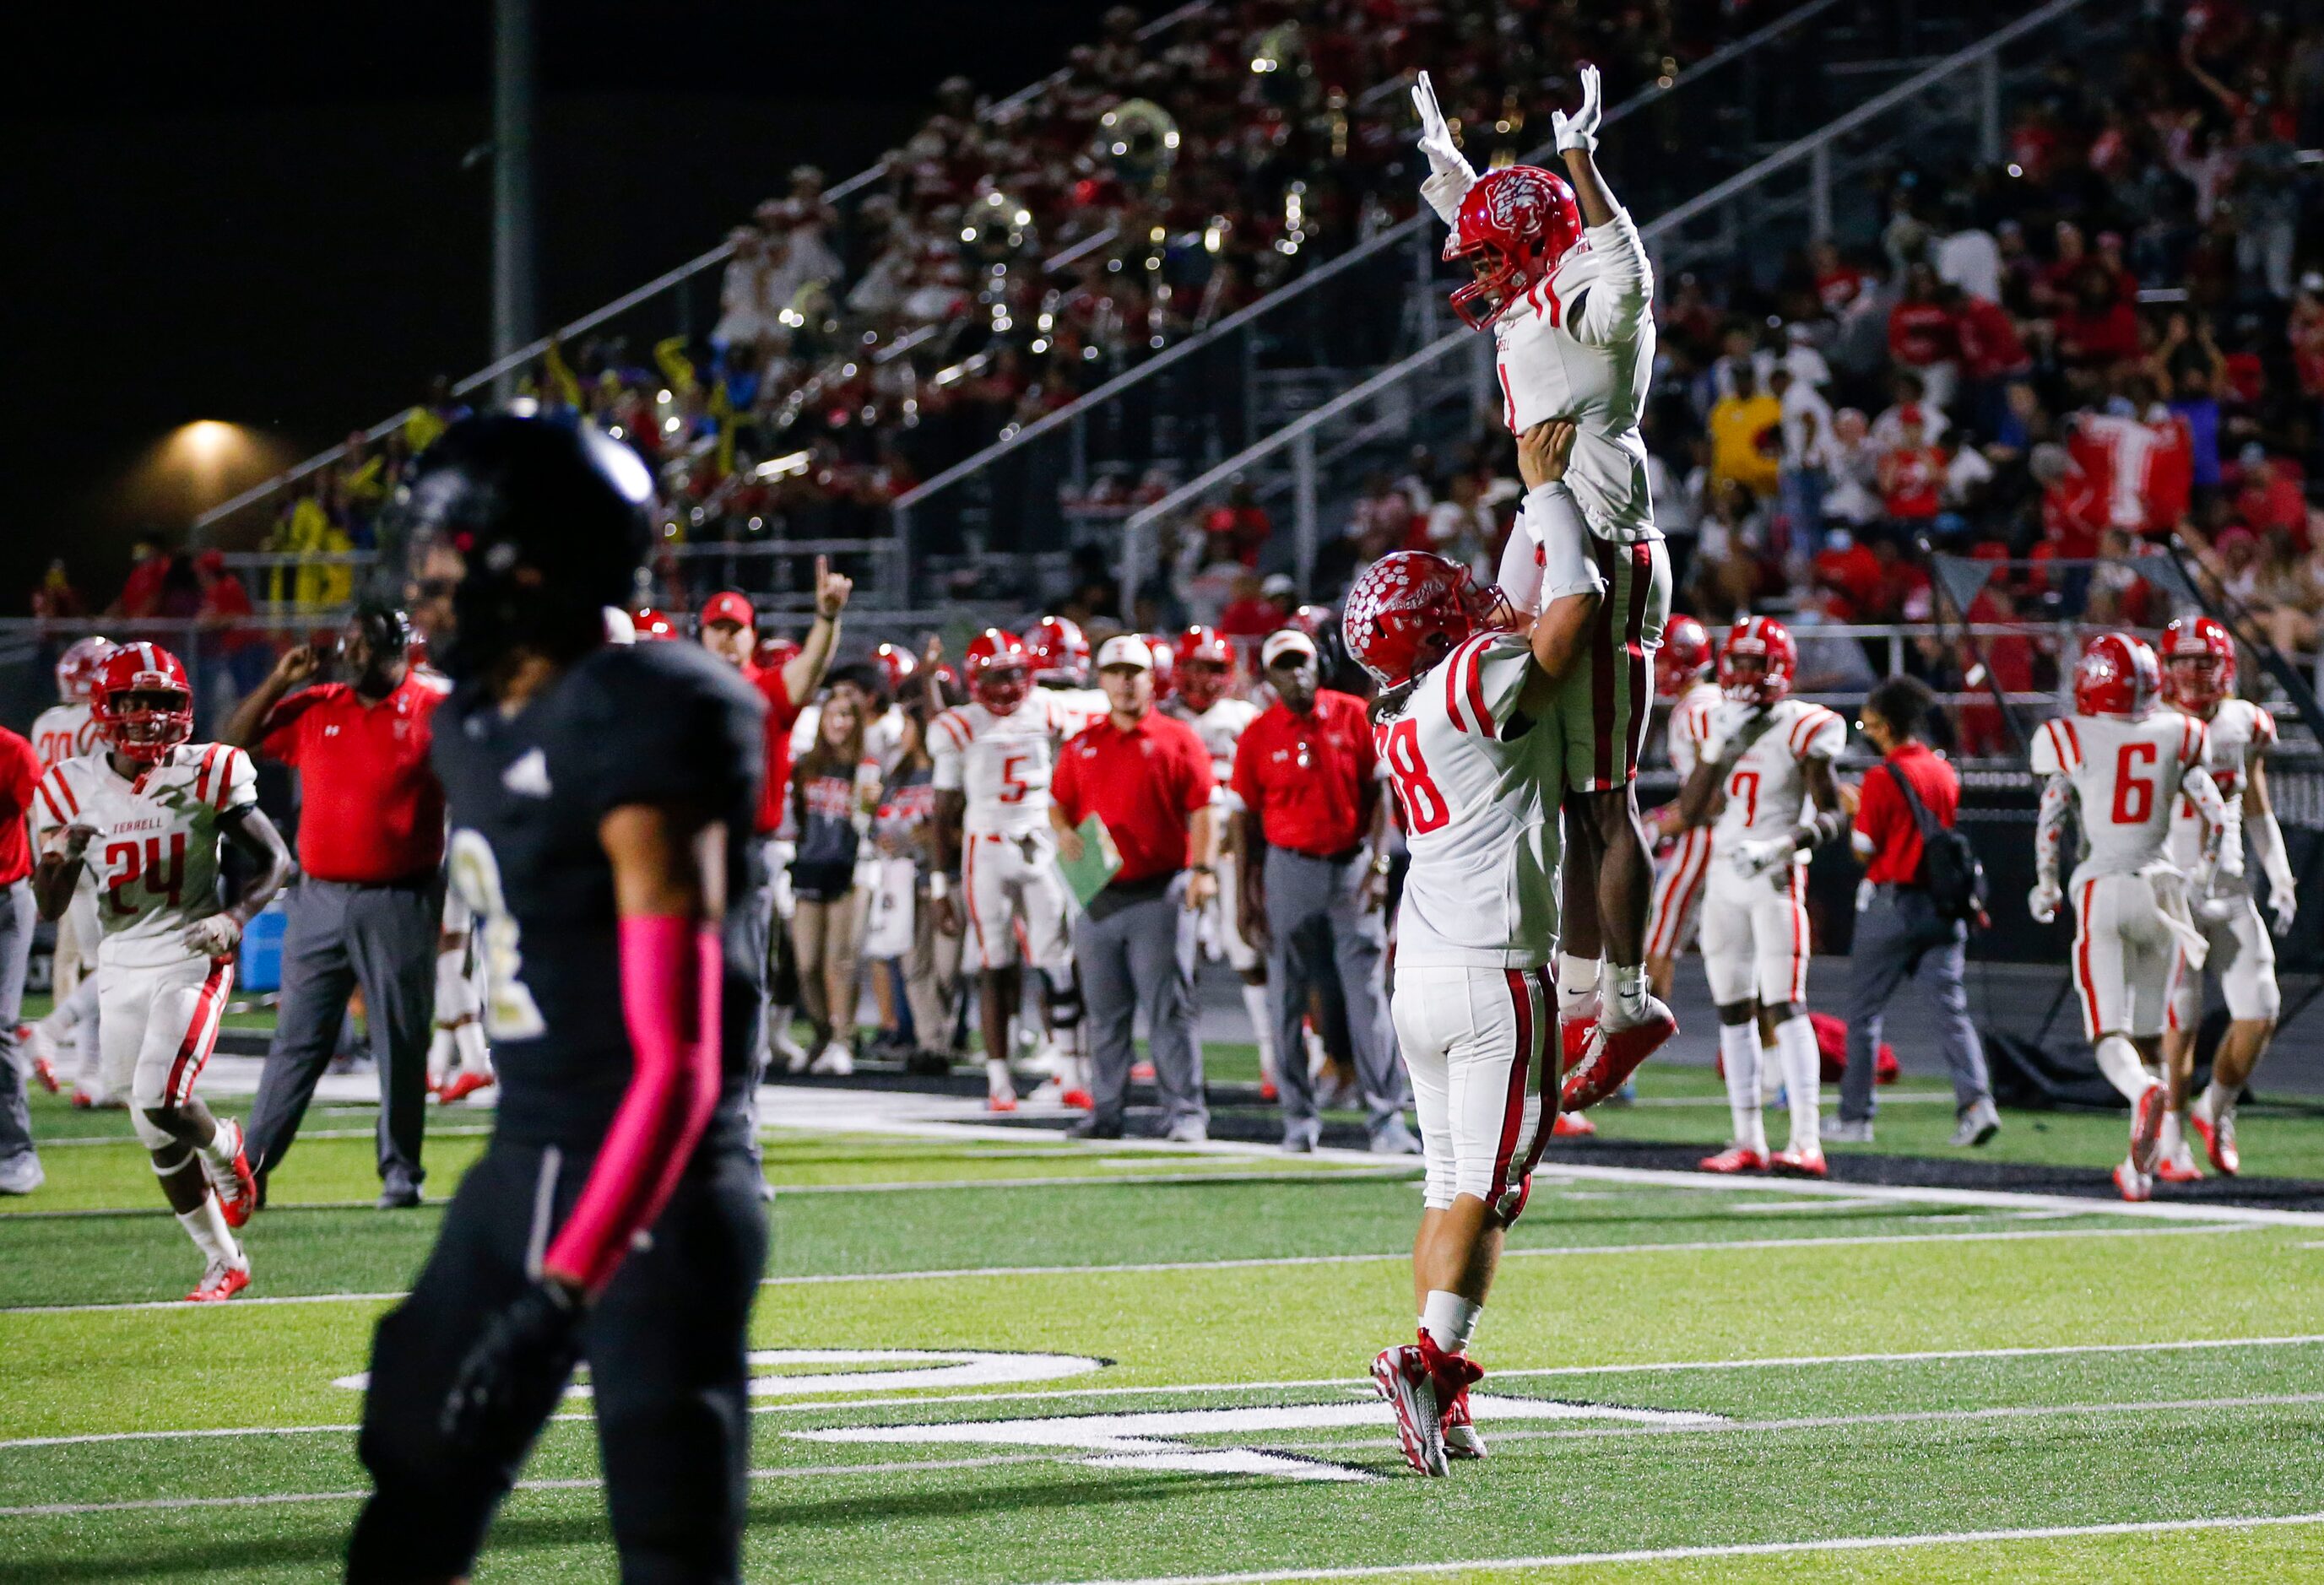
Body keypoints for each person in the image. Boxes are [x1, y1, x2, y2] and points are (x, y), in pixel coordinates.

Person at [349, 414, 766, 1582]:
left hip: (658, 1180)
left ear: (532, 561)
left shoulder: (648, 708)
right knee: (410, 1484)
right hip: (524, 1154)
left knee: (670, 1539)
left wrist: (566, 1282)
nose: (422, 579)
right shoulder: (471, 717)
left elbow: (676, 1064)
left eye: (447, 546)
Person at [1414, 64, 1676, 1101]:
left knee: (1604, 799)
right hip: (1550, 533)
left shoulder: (1587, 296)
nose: (1476, 273)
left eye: (1489, 252)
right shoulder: (1533, 284)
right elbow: (1509, 233)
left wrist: (1580, 162)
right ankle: (1575, 1001)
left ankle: (1628, 999)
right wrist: (1448, 172)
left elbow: (1623, 270)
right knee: (1561, 798)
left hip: (1602, 544)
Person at [1347, 428, 1604, 1478]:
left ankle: (1441, 1390)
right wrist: (1544, 496)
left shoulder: (1400, 703)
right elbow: (1570, 617)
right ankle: (1423, 1364)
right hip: (1495, 971)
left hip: (1423, 971)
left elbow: (1502, 617)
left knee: (1449, 1184)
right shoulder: (1469, 683)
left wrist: (1518, 515)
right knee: (1487, 1189)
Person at [30, 643, 293, 1298]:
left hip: (190, 951)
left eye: (163, 702)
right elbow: (48, 906)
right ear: (107, 708)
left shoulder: (208, 770)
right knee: (153, 1128)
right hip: (118, 961)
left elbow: (276, 861)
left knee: (162, 1095)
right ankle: (224, 1260)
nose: (148, 716)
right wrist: (61, 858)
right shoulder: (69, 785)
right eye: (134, 702)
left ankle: (229, 1144)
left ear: (184, 709)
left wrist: (234, 918)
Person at [225, 603, 450, 1210]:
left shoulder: (434, 711)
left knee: (400, 1041)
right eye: (347, 643)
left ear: (398, 650)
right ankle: (254, 1171)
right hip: (318, 896)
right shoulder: (320, 703)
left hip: (400, 898)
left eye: (364, 646)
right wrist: (279, 680)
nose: (349, 655)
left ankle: (401, 1172)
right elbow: (233, 741)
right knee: (297, 1040)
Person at [2029, 634, 2230, 1203]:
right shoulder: (2178, 732)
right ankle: (2141, 1167)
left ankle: (2143, 1094)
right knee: (2148, 1034)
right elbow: (2214, 816)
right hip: (2162, 893)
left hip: (2103, 887)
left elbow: (2051, 813)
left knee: (2108, 1035)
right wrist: (2204, 877)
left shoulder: (2068, 736)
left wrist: (2044, 882)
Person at [1676, 618, 1850, 1178]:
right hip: (1724, 875)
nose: (1746, 674)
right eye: (1740, 663)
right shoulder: (1710, 717)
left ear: (1780, 670)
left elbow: (1832, 813)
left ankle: (1805, 1139)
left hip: (1775, 876)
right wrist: (1715, 752)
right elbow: (1691, 811)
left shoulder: (1805, 726)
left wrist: (1782, 844)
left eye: (1757, 664)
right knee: (1731, 1007)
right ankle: (1746, 1136)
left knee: (1784, 1002)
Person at [1232, 626, 1415, 1155]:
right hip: (1288, 870)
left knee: (1369, 998)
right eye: (1285, 665)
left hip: (1351, 868)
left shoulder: (1353, 713)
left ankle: (1386, 1119)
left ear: (1319, 663)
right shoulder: (1258, 733)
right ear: (1269, 676)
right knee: (1287, 999)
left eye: (1303, 662)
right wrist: (1246, 894)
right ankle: (1298, 1120)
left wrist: (1380, 865)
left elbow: (1381, 792)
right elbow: (1242, 823)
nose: (1296, 673)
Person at [1049, 636, 1217, 1141]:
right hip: (1098, 895)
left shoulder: (1177, 737)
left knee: (1169, 1010)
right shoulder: (1082, 744)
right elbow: (1059, 801)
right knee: (1104, 1014)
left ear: (1151, 679)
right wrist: (1060, 830)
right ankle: (1106, 1112)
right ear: (1100, 680)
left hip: (1159, 891)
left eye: (1134, 672)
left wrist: (1202, 870)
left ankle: (1185, 1113)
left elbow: (1203, 806)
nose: (1125, 681)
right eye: (1115, 672)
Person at [1828, 676, 1998, 1148]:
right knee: (1952, 1012)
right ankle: (1977, 1103)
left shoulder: (1882, 777)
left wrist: (1853, 808)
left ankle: (1855, 1116)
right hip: (1942, 908)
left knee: (1864, 1016)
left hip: (1894, 902)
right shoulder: (1944, 770)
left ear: (1883, 724)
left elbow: (1865, 847)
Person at [697, 579, 849, 1092]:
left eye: (733, 630)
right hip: (687, 851)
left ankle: (738, 1093)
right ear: (701, 637)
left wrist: (826, 620)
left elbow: (810, 671)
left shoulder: (766, 690)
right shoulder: (685, 696)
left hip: (744, 847)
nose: (724, 640)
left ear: (751, 637)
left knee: (740, 975)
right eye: (716, 630)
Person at [2157, 617, 2294, 1179]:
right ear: (2164, 668)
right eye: (2181, 660)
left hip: (2231, 887)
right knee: (2180, 1021)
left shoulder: (2243, 722)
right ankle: (2167, 1133)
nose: (2192, 671)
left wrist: (2279, 872)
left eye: (2202, 660)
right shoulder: (2150, 726)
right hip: (2172, 890)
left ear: (2226, 667)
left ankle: (2213, 1108)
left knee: (2260, 1011)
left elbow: (2255, 801)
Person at [929, 630, 1075, 1112]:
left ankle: (1070, 1068)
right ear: (975, 680)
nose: (1010, 686)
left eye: (1016, 673)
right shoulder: (961, 726)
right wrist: (938, 883)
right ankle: (999, 1081)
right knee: (995, 963)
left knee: (1058, 961)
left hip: (1041, 845)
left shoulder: (1048, 709)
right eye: (998, 676)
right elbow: (944, 809)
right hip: (986, 849)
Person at [1168, 625, 1277, 1095]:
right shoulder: (1164, 717)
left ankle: (1274, 1059)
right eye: (1193, 666)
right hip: (1181, 853)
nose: (1202, 678)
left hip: (1234, 852)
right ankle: (1181, 1066)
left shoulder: (1244, 716)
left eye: (1213, 668)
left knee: (1249, 954)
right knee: (1177, 963)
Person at [21, 636, 114, 1104]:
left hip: (53, 850)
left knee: (101, 967)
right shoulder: (96, 723)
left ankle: (93, 1077)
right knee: (115, 966)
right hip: (92, 846)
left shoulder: (45, 723)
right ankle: (52, 1030)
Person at [785, 689, 880, 1074]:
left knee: (840, 960)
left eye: (848, 716)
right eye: (834, 715)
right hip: (810, 864)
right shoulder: (806, 765)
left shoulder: (866, 766)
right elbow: (795, 817)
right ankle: (823, 1032)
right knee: (806, 963)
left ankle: (842, 1040)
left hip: (852, 867)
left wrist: (870, 805)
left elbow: (868, 820)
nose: (840, 723)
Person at [1642, 617, 1718, 1009]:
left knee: (1659, 939)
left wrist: (1667, 824)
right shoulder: (1712, 701)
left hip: (1708, 836)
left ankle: (1636, 1051)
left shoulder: (1695, 710)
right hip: (1724, 833)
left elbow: (1713, 790)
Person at [0, 721, 41, 1193]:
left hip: (4, 902)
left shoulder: (11, 751)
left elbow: (45, 817)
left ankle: (17, 1153)